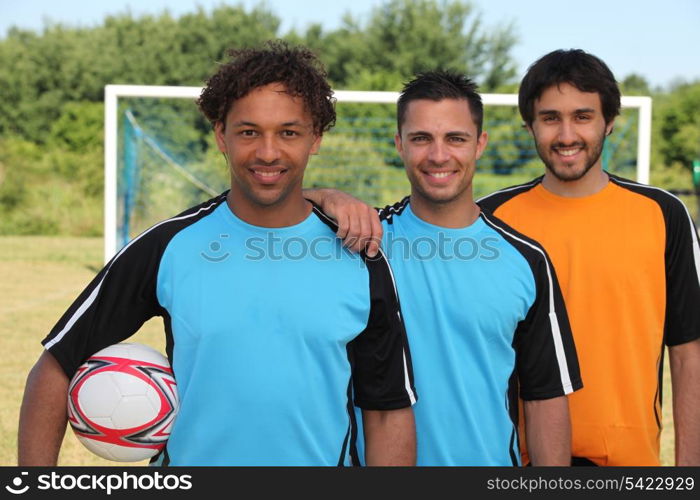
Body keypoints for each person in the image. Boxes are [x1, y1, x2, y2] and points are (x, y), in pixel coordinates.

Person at [17, 41, 417, 466]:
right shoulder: (170, 246)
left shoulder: (359, 254)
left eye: (288, 132)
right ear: (220, 136)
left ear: (315, 138)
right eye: (248, 132)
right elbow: (55, 365)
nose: (267, 152)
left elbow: (387, 410)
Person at [308, 71, 582, 465]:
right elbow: (254, 203)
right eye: (421, 139)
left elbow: (545, 400)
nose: (439, 156)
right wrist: (325, 195)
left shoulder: (526, 259)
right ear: (399, 144)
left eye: (455, 138)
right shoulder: (360, 243)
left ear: (480, 144)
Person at [477, 49, 700, 466]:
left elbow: (688, 355)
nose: (566, 135)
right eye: (550, 118)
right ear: (529, 125)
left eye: (582, 116)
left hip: (631, 465)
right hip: (517, 464)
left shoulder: (664, 214)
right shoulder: (489, 220)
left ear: (609, 121)